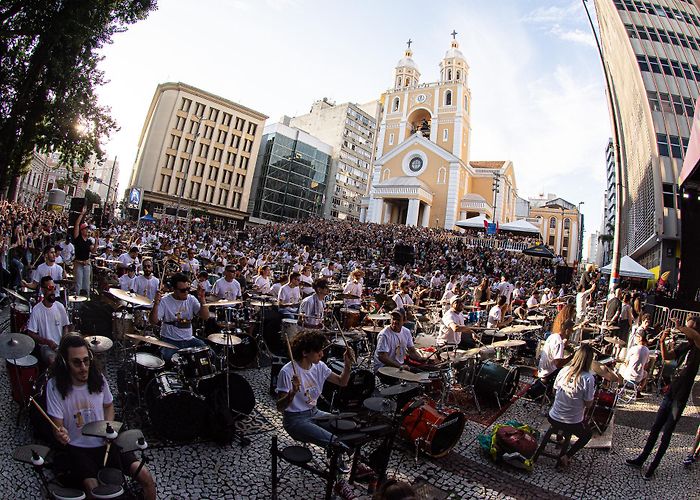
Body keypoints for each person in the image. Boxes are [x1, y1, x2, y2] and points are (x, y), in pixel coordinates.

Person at [46, 334, 156, 499]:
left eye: (86, 360)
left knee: (146, 477)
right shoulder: (54, 387)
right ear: (64, 363)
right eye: (76, 362)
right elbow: (57, 426)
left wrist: (108, 426)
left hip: (107, 443)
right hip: (78, 448)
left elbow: (108, 405)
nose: (83, 367)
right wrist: (60, 433)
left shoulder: (99, 379)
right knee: (94, 491)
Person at [275, 330, 356, 495]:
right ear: (305, 352)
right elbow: (280, 407)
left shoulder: (319, 366)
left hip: (314, 412)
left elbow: (342, 381)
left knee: (347, 426)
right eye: (318, 350)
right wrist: (292, 393)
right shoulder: (287, 371)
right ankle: (340, 482)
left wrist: (347, 364)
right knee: (334, 442)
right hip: (295, 420)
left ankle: (352, 462)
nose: (322, 353)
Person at [626, 316, 700, 479]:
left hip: (680, 398)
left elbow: (695, 336)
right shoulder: (686, 345)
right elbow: (668, 357)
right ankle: (642, 458)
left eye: (690, 328)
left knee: (667, 432)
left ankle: (653, 466)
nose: (686, 332)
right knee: (655, 428)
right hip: (671, 392)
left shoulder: (698, 345)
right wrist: (662, 341)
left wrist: (680, 326)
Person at [546, 344, 595, 467]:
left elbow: (554, 391)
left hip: (553, 416)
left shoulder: (563, 370)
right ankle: (567, 456)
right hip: (571, 422)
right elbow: (589, 404)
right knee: (588, 434)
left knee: (564, 409)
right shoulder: (588, 378)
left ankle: (559, 438)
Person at [149, 273, 209, 362]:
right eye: (182, 290)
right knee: (168, 359)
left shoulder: (191, 299)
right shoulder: (165, 301)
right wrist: (156, 304)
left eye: (188, 289)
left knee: (208, 354)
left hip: (189, 339)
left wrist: (202, 299)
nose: (186, 292)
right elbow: (153, 321)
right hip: (169, 340)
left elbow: (205, 317)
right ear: (173, 289)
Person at [26, 276, 71, 364]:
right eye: (50, 288)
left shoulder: (60, 306)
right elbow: (31, 333)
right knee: (53, 360)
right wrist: (47, 342)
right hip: (46, 347)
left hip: (61, 345)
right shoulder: (37, 309)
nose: (53, 291)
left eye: (54, 288)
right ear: (43, 290)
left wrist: (64, 341)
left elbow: (66, 326)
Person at [618, 330, 650, 394]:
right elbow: (646, 366)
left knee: (620, 367)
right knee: (646, 374)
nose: (635, 337)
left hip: (629, 376)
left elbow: (626, 362)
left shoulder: (633, 348)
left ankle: (620, 386)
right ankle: (639, 391)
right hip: (639, 378)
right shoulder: (647, 350)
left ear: (640, 338)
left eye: (636, 336)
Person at [72, 206, 94, 296]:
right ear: (81, 231)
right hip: (79, 263)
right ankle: (77, 303)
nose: (87, 230)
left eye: (87, 229)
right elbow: (76, 225)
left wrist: (96, 241)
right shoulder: (78, 238)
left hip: (86, 264)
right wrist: (81, 214)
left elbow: (93, 251)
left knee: (86, 285)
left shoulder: (89, 241)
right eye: (85, 229)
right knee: (78, 284)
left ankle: (86, 300)